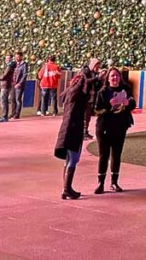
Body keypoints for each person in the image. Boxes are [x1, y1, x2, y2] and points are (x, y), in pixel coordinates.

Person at [54, 67, 96, 199]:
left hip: (66, 129)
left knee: (68, 160)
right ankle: (67, 189)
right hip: (73, 129)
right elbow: (87, 84)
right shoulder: (79, 92)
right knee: (73, 159)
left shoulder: (70, 91)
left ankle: (66, 188)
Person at [93, 67, 136, 194]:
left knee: (116, 155)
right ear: (108, 78)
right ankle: (100, 183)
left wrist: (127, 104)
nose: (115, 78)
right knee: (103, 156)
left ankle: (114, 182)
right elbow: (96, 110)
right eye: (112, 76)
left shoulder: (126, 89)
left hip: (120, 127)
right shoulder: (103, 92)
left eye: (117, 76)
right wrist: (109, 106)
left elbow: (133, 104)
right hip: (104, 128)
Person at [0, 54, 16, 122]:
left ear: (11, 59)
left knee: (3, 101)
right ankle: (4, 116)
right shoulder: (10, 66)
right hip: (6, 85)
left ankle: (4, 116)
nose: (6, 60)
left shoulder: (9, 66)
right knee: (4, 100)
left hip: (5, 85)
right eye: (6, 58)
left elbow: (4, 76)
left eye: (8, 58)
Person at [11, 52, 28, 119]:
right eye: (16, 57)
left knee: (18, 99)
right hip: (13, 83)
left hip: (19, 84)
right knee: (13, 99)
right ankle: (13, 113)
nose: (16, 58)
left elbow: (24, 74)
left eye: (18, 57)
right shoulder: (14, 63)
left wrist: (19, 83)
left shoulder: (24, 64)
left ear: (21, 57)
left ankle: (17, 114)